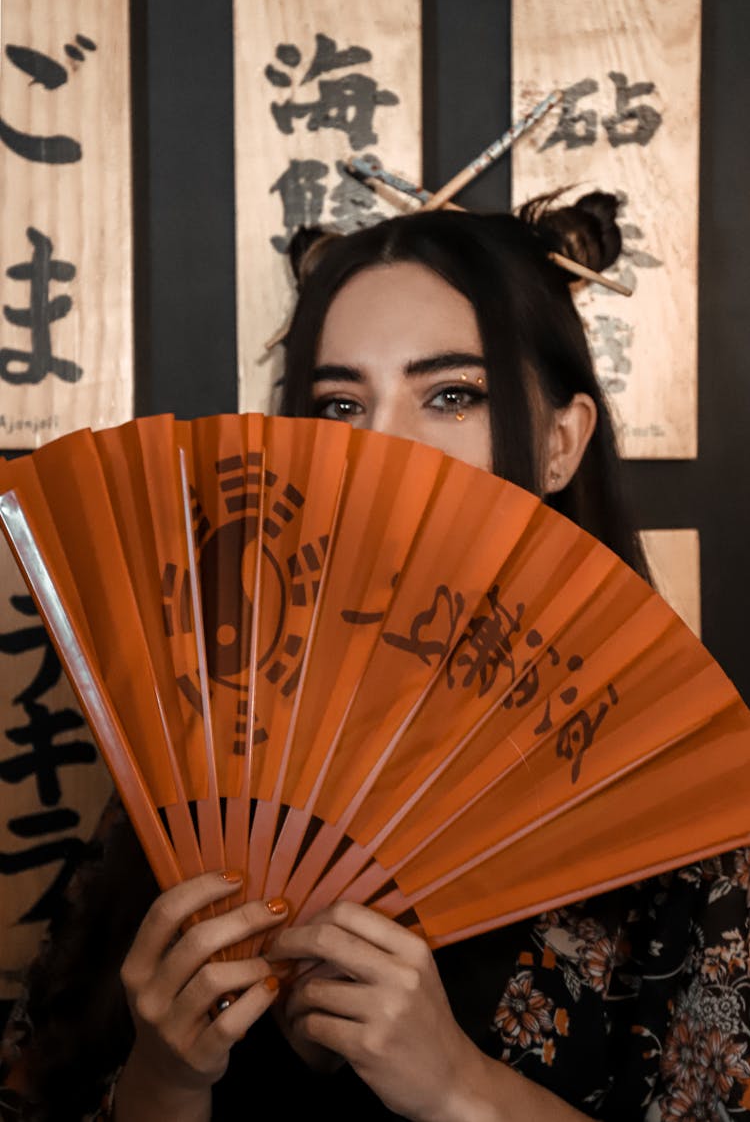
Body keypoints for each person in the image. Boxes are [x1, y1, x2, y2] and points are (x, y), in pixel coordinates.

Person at [3, 195, 750, 1122]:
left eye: (451, 395)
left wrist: (460, 1086)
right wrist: (166, 1078)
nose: (383, 446)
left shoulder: (676, 799)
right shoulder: (196, 742)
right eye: (341, 405)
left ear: (560, 441)